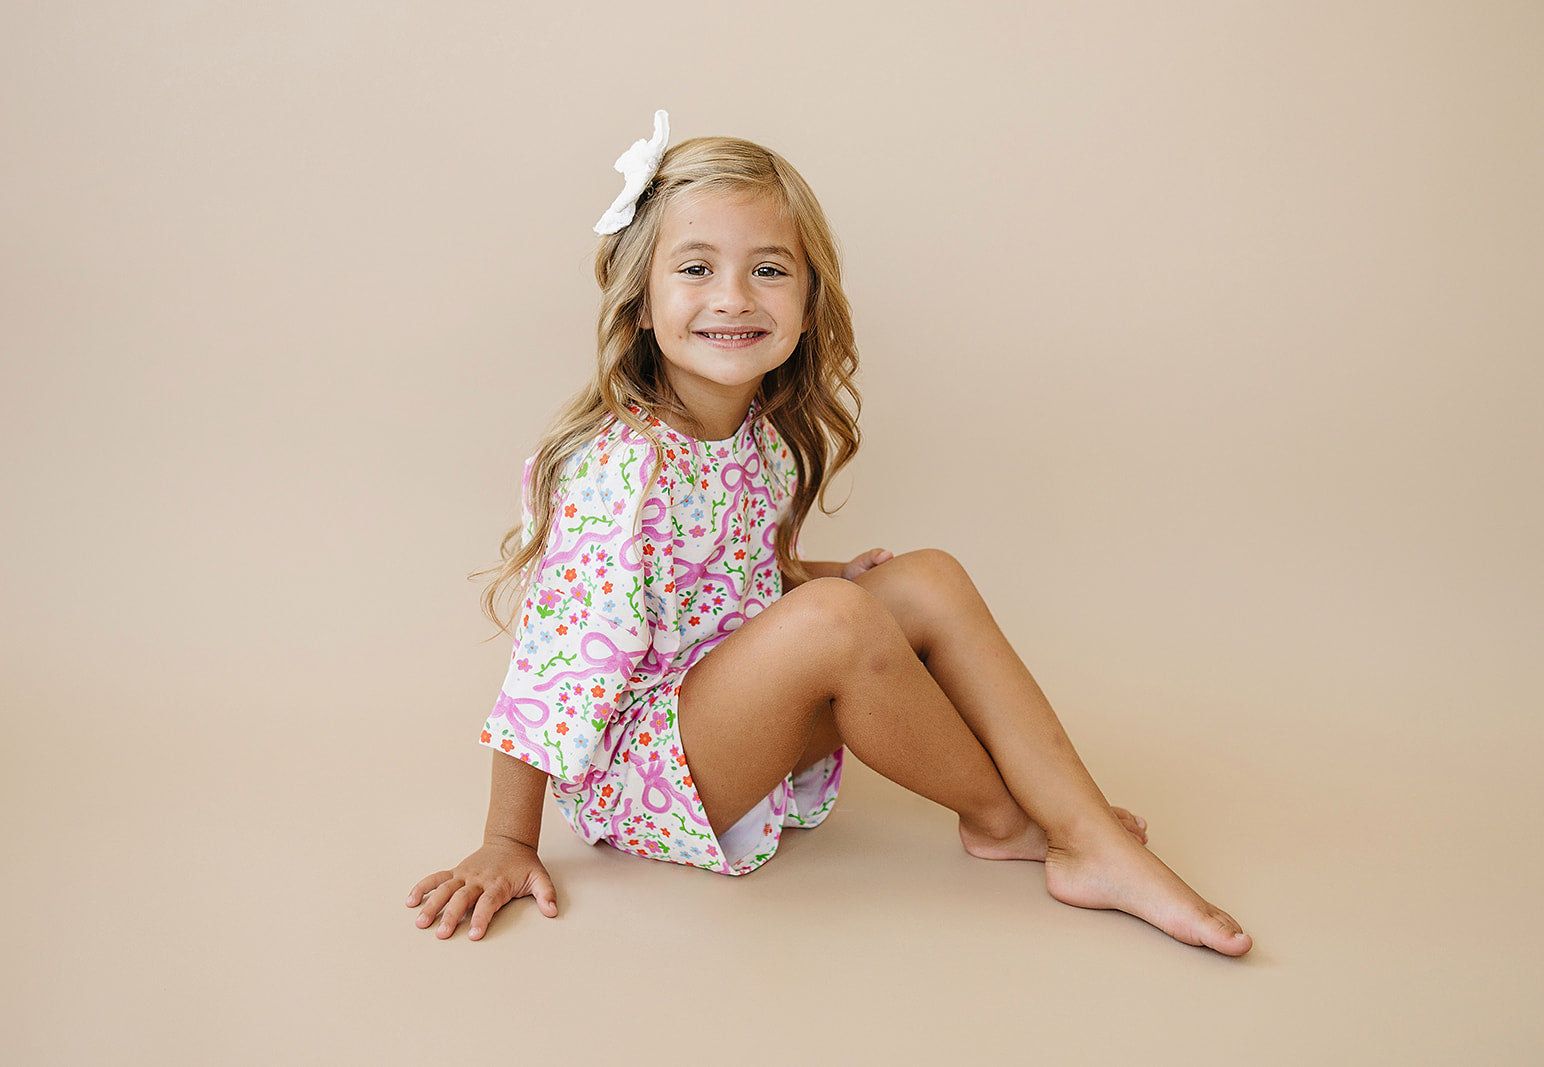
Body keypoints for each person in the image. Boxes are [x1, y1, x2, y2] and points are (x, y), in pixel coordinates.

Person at [406, 112, 1252, 956]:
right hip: (643, 773)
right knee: (839, 620)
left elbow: (722, 577)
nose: (734, 296)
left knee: (927, 577)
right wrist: (508, 840)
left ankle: (1082, 825)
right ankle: (1005, 819)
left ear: (808, 305)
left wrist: (823, 575)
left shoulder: (757, 437)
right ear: (640, 307)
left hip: (723, 710)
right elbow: (551, 665)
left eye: (768, 270)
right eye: (696, 268)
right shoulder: (619, 475)